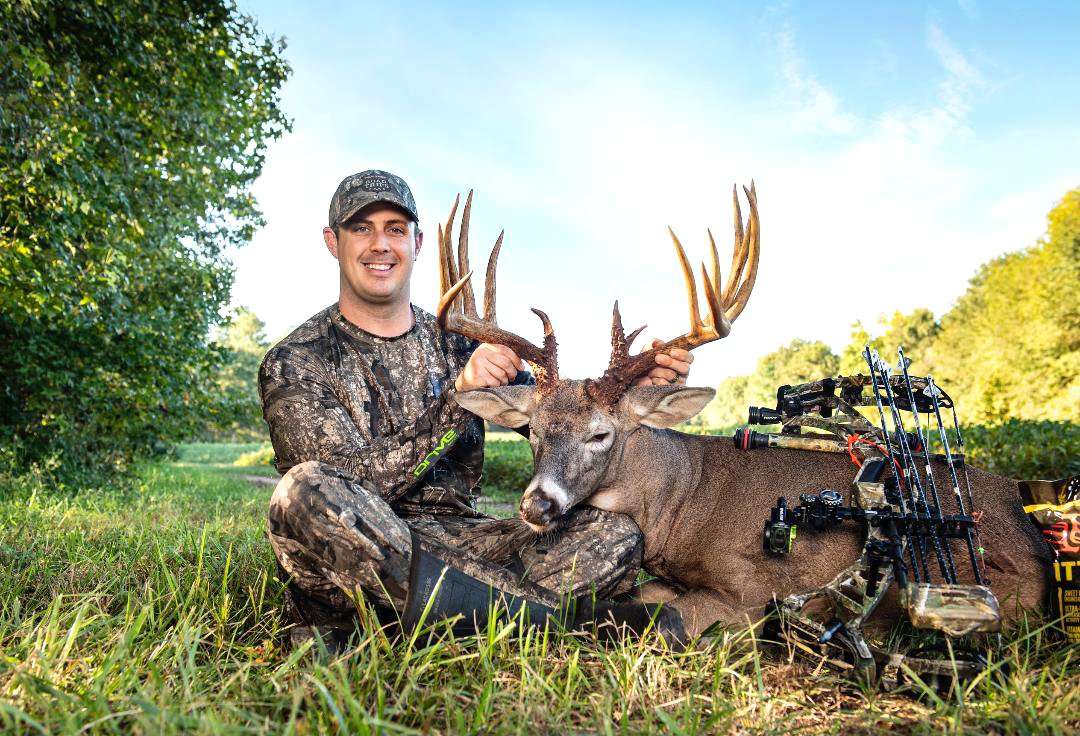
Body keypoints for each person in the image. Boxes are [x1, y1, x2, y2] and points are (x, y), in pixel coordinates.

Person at [260, 170, 693, 650]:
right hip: (354, 551)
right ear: (331, 241)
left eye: (396, 229)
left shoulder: (463, 342)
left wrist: (632, 395)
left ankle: (419, 628)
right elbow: (346, 481)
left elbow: (561, 416)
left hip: (461, 541)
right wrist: (457, 399)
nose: (380, 244)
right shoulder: (296, 359)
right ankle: (567, 624)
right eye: (361, 228)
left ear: (418, 243)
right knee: (301, 490)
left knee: (614, 533)